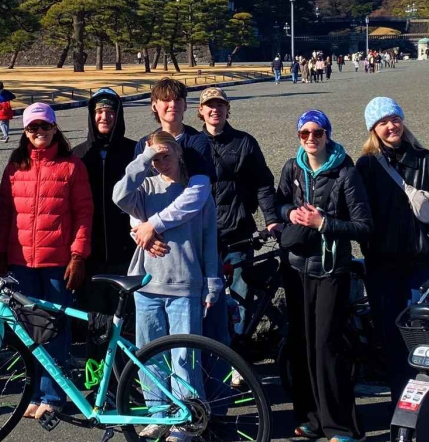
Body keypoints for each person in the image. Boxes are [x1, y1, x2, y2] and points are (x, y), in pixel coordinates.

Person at [112, 130, 223, 442]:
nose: (160, 163)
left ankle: (188, 418)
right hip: (147, 284)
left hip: (185, 284)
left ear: (179, 155)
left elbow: (209, 240)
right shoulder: (144, 187)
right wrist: (143, 158)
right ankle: (158, 413)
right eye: (155, 158)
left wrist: (212, 282)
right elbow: (119, 196)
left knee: (184, 357)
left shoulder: (197, 191)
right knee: (148, 356)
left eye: (165, 156)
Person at [275, 109, 371, 442]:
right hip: (296, 267)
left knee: (327, 345)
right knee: (300, 343)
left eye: (317, 132)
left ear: (328, 134)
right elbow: (278, 204)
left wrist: (324, 223)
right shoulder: (293, 167)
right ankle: (310, 418)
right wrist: (290, 213)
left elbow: (363, 225)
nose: (311, 139)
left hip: (330, 269)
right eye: (304, 133)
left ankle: (341, 424)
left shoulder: (346, 171)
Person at [354, 97, 429, 398]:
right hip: (382, 267)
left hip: (421, 265)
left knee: (427, 334)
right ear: (373, 129)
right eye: (383, 122)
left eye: (395, 119)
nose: (391, 126)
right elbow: (357, 213)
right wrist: (371, 245)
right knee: (391, 337)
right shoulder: (365, 166)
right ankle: (401, 403)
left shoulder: (425, 159)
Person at [0, 102, 94, 419]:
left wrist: (78, 255)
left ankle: (53, 393)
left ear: (55, 128)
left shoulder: (71, 166)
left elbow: (83, 216)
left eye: (45, 127)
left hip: (56, 261)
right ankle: (34, 391)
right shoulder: (15, 167)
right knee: (28, 329)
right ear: (25, 131)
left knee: (55, 330)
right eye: (33, 128)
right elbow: (5, 214)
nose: (39, 133)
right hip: (21, 259)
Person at [129, 79, 216, 262]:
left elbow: (197, 193)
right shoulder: (144, 145)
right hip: (153, 242)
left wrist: (154, 225)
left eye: (178, 100)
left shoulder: (197, 142)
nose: (172, 105)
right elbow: (134, 196)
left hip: (189, 234)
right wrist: (140, 232)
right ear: (154, 106)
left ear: (185, 105)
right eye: (166, 100)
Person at [72, 87, 139, 318]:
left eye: (110, 112)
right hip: (91, 252)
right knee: (93, 317)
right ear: (91, 115)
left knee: (126, 317)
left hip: (127, 250)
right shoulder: (78, 155)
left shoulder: (134, 151)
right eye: (99, 111)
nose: (105, 117)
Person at [196, 87, 279, 249]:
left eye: (220, 105)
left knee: (241, 274)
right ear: (201, 110)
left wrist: (271, 219)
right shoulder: (193, 144)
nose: (215, 110)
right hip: (201, 231)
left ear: (227, 108)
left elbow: (263, 183)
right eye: (210, 105)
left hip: (238, 229)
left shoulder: (245, 142)